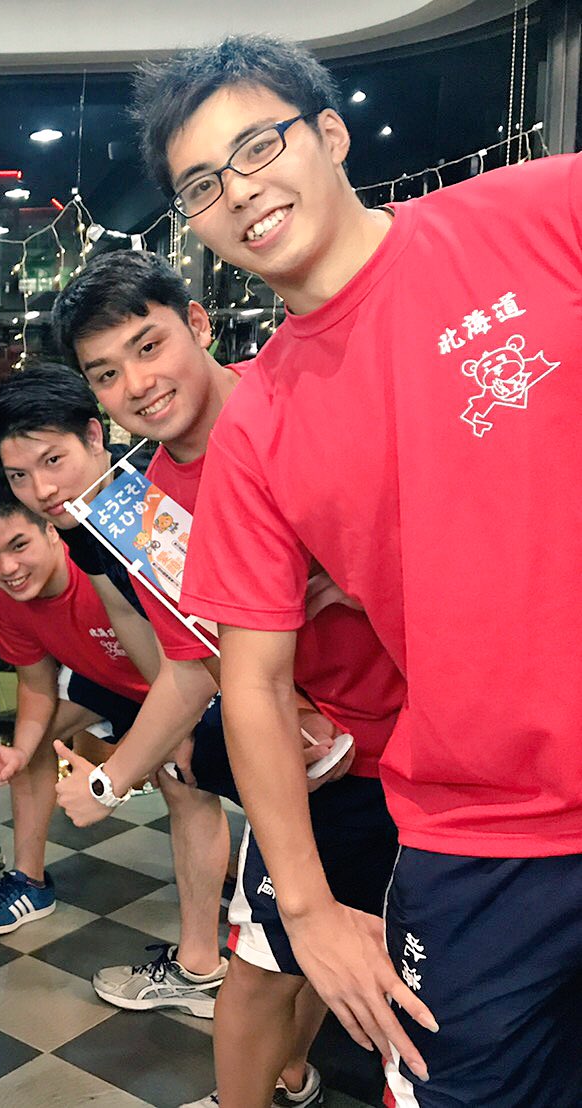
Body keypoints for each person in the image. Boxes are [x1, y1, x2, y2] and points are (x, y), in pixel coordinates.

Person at [135, 34, 581, 1106]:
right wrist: (302, 906)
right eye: (202, 184)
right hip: (478, 836)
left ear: (329, 135)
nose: (239, 192)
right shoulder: (257, 425)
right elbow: (248, 679)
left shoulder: (534, 213)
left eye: (257, 147)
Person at [57, 249, 404, 1107]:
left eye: (149, 346)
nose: (138, 384)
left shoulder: (304, 401)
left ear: (199, 324)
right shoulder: (145, 510)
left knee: (403, 959)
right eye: (107, 373)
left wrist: (362, 567)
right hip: (322, 761)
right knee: (266, 963)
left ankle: (293, 1073)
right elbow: (194, 666)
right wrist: (110, 778)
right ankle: (273, 1082)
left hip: (440, 741)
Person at [0, 365, 235, 1017]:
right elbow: (137, 617)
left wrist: (114, 777)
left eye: (53, 460)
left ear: (95, 437)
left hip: (278, 680)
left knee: (268, 813)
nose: (41, 489)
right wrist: (169, 721)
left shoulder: (137, 499)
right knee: (186, 779)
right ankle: (203, 965)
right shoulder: (87, 517)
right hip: (201, 673)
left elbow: (203, 637)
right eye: (18, 476)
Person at [0, 464, 150, 936]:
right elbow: (37, 685)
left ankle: (206, 949)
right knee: (32, 746)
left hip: (177, 687)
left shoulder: (106, 571)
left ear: (51, 529)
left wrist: (119, 777)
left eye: (19, 545)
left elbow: (187, 674)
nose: (7, 568)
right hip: (104, 681)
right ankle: (29, 882)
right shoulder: (1, 594)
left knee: (187, 784)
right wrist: (20, 751)